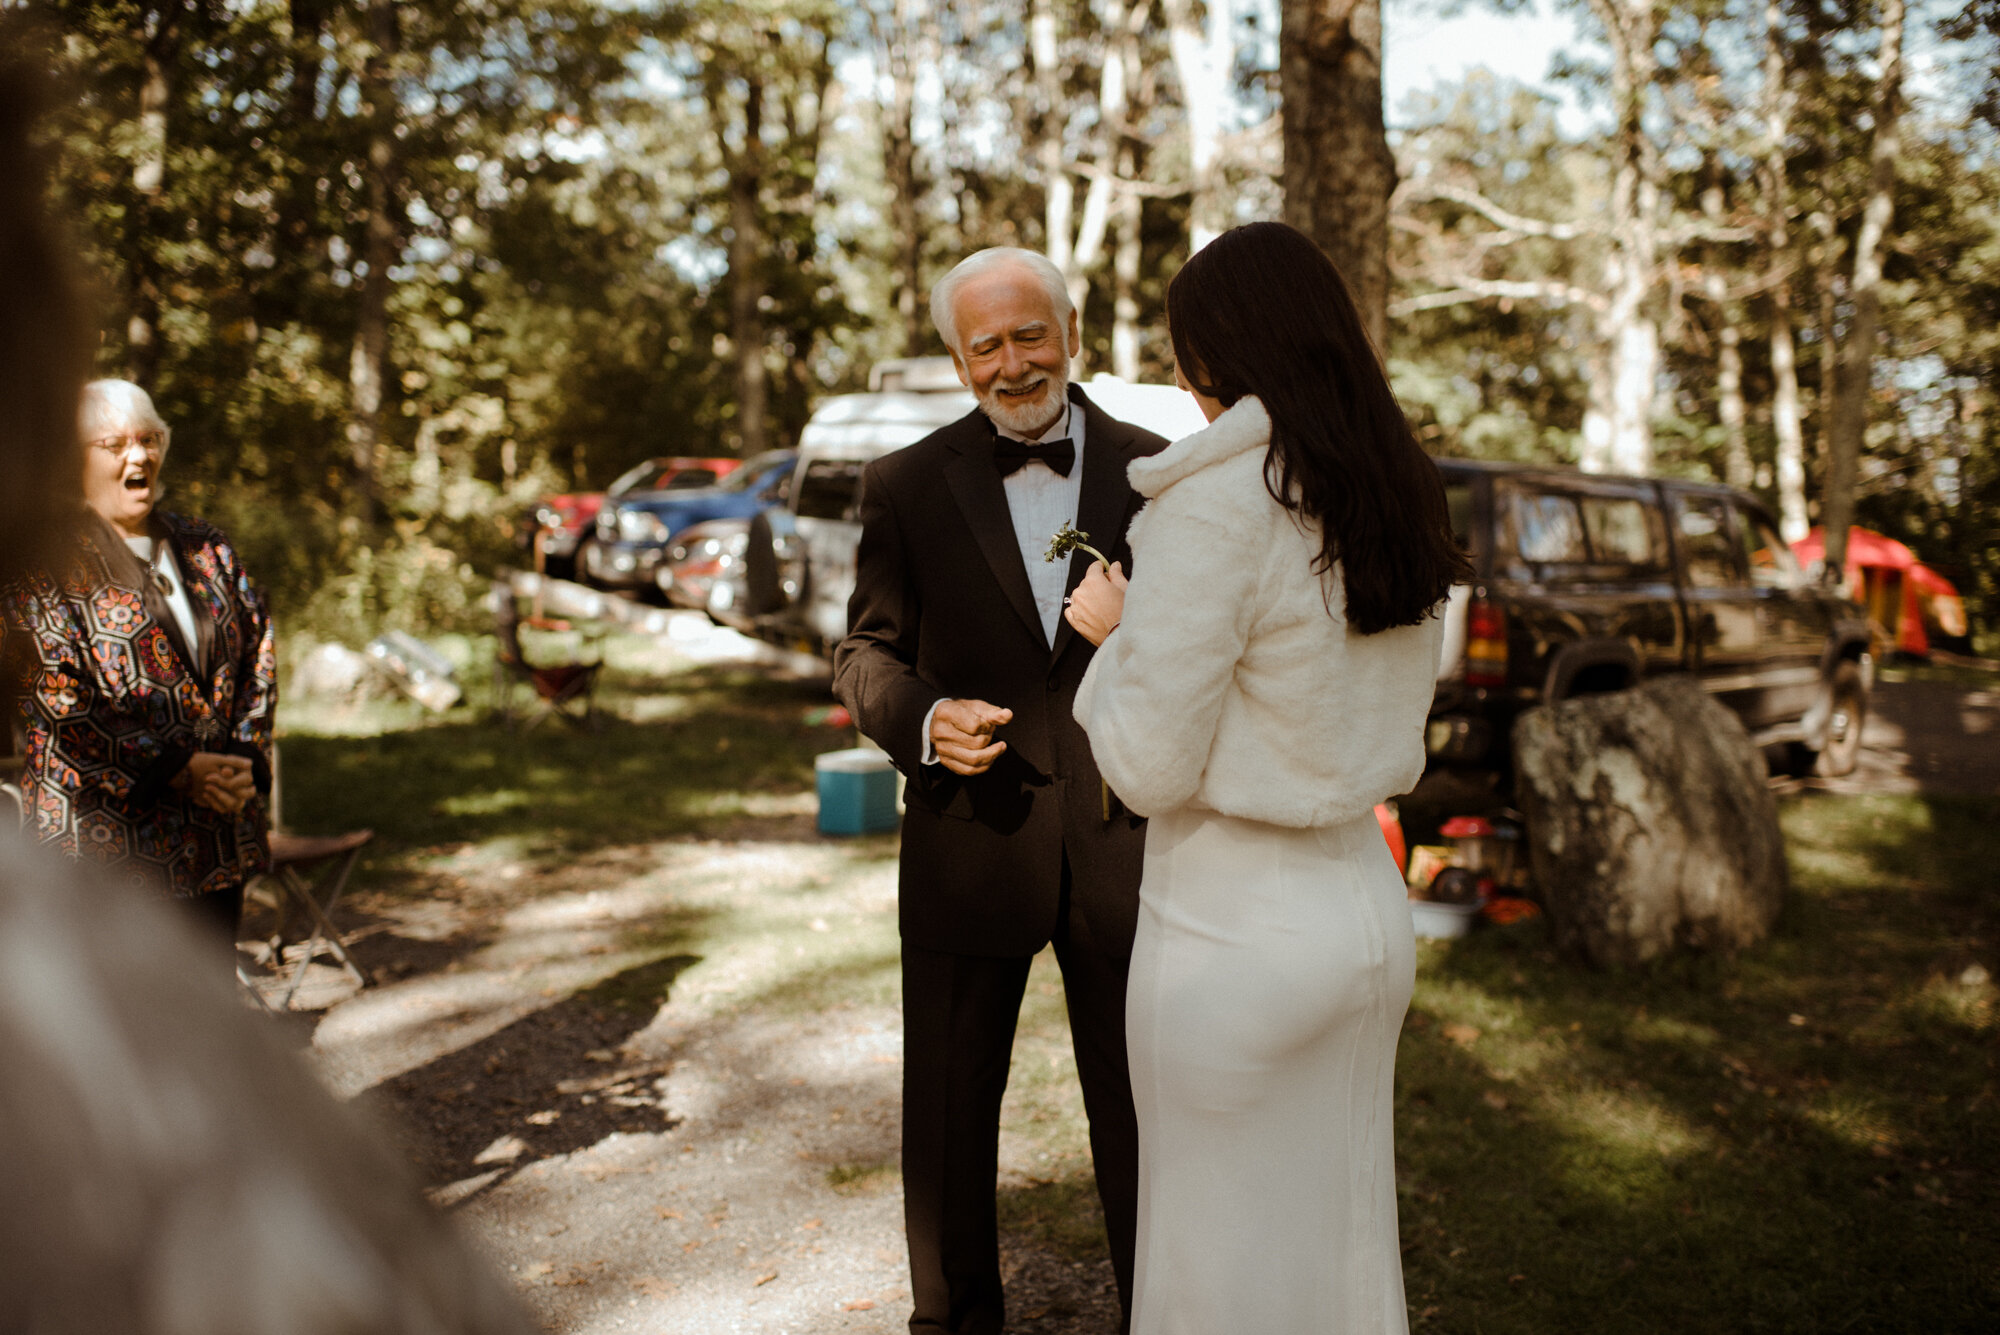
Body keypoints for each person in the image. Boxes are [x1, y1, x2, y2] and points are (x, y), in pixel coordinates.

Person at [1064, 221, 1472, 1335]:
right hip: (1361, 910)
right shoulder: (1395, 489)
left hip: (1228, 930)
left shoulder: (1214, 502)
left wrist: (1117, 639)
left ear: (1213, 357)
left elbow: (1147, 766)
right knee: (1340, 1254)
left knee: (1214, 1269)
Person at [833, 247, 1166, 1335]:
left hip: (1126, 840)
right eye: (988, 345)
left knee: (1142, 1111)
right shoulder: (903, 483)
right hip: (966, 840)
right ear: (955, 356)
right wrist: (923, 718)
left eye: (1032, 334)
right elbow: (863, 655)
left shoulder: (1164, 472)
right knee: (947, 1113)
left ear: (1072, 327)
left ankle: (1159, 1311)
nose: (1014, 363)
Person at [2, 376, 277, 941]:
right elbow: (53, 696)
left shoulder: (206, 545)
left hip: (214, 832)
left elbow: (259, 648)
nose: (139, 455)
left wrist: (244, 754)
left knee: (208, 1012)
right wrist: (174, 769)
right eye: (114, 444)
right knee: (125, 1020)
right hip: (103, 846)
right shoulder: (40, 564)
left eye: (149, 439)